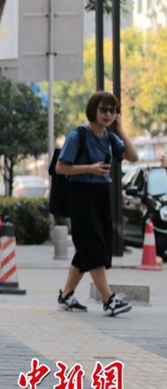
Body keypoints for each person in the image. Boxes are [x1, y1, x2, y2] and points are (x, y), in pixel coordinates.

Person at [55, 91, 138, 316]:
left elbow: (133, 156)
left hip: (101, 194)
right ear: (93, 110)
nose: (108, 114)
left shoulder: (110, 137)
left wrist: (119, 129)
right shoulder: (78, 135)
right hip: (80, 194)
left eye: (112, 111)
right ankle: (109, 300)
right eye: (103, 110)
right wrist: (89, 168)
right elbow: (60, 168)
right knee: (94, 246)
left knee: (86, 249)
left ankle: (66, 295)